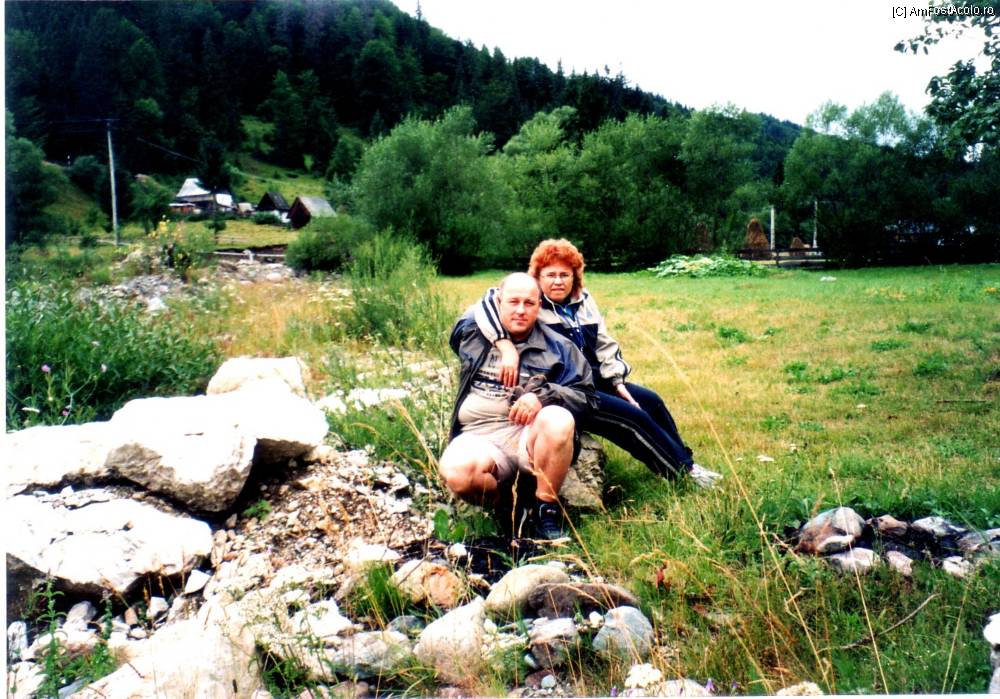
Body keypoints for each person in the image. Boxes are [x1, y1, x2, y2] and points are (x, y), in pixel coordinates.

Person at [474, 239, 722, 489]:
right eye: (550, 275)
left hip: (596, 379)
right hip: (567, 388)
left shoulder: (583, 301)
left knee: (651, 401)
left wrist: (617, 381)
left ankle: (685, 461)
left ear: (575, 276)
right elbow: (486, 303)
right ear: (537, 277)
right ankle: (682, 474)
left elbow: (603, 343)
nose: (558, 281)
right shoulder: (531, 303)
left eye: (564, 275)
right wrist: (505, 345)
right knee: (631, 419)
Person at [440, 272, 598, 540]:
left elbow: (587, 397)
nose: (521, 310)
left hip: (528, 438)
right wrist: (506, 347)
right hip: (479, 435)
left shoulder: (559, 347)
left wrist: (542, 397)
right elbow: (479, 305)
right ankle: (505, 507)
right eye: (513, 302)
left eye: (529, 303)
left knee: (558, 419)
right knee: (457, 473)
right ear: (498, 303)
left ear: (540, 306)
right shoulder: (472, 335)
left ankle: (545, 509)